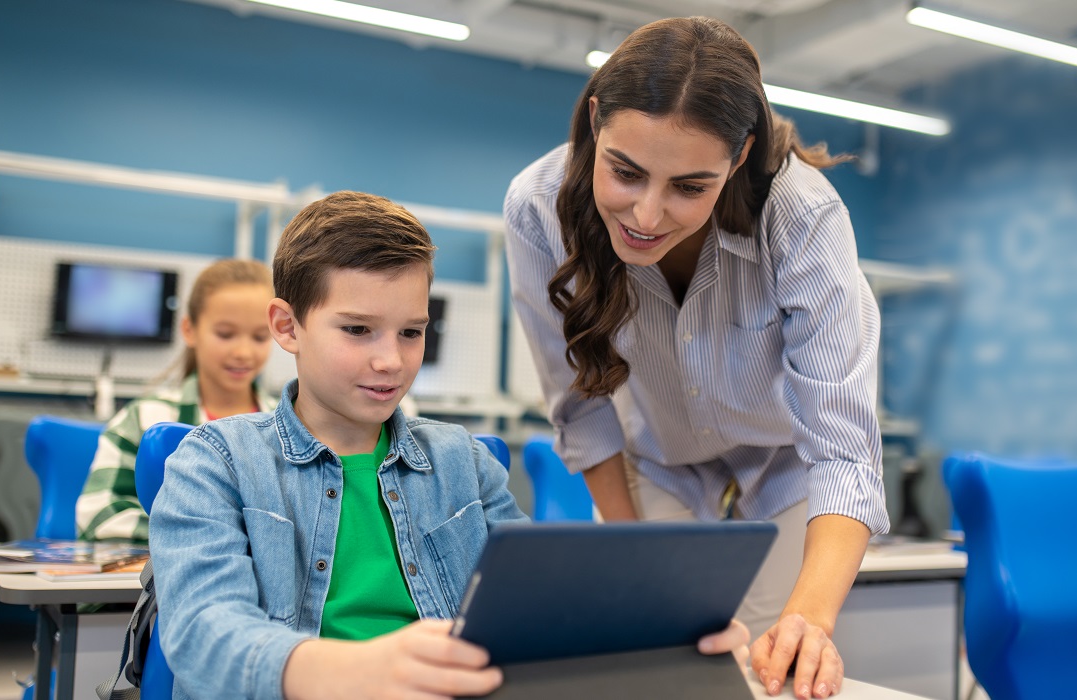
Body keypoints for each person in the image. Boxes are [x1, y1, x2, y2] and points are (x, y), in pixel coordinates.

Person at [148, 191, 751, 700]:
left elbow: (539, 608)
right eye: (357, 330)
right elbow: (204, 635)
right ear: (288, 327)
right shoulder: (214, 460)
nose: (391, 360)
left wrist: (668, 631)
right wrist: (360, 670)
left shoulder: (463, 462)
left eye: (412, 332)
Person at [504, 16, 889, 700]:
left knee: (773, 673)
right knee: (653, 667)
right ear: (596, 121)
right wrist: (636, 569)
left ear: (738, 158)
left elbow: (843, 451)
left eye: (689, 186)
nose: (647, 216)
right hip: (655, 463)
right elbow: (580, 409)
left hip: (788, 468)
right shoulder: (538, 209)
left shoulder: (803, 217)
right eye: (625, 172)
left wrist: (811, 620)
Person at [76, 258, 280, 542]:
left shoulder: (291, 425)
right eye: (225, 334)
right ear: (189, 330)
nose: (244, 352)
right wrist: (211, 534)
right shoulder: (144, 419)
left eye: (260, 337)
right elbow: (98, 516)